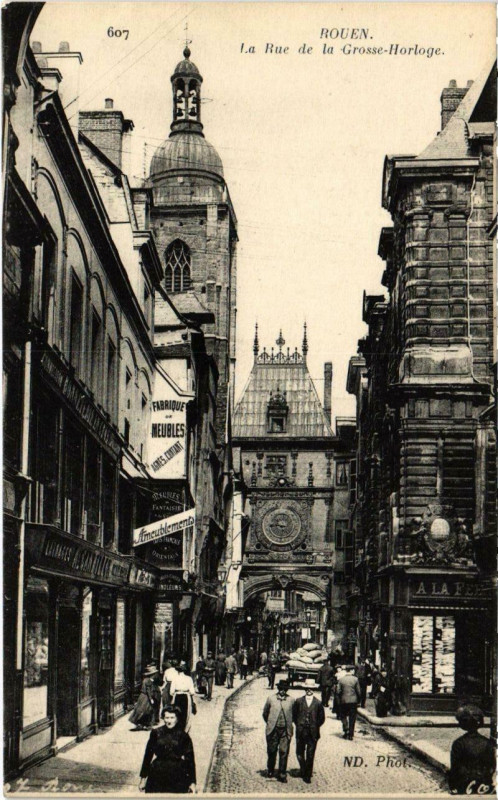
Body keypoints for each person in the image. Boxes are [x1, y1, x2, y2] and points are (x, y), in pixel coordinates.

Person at [139, 705, 196, 794]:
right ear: (163, 718)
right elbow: (148, 756)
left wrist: (192, 782)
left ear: (177, 718)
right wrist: (143, 779)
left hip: (178, 774)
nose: (169, 721)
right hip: (157, 773)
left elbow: (190, 760)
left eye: (172, 717)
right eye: (167, 717)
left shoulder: (183, 736)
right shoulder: (156, 733)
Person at [448, 705, 495, 795]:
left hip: (464, 785)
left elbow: (455, 768)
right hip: (484, 786)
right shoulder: (487, 743)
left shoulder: (459, 743)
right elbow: (491, 766)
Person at [262, 679, 295, 783]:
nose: (282, 691)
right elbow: (265, 713)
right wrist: (271, 723)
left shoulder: (291, 700)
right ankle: (270, 769)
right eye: (281, 689)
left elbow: (295, 714)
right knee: (271, 751)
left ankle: (282, 773)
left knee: (284, 751)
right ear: (278, 689)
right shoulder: (271, 699)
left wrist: (288, 724)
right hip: (273, 729)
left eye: (285, 689)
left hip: (285, 730)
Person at [293, 679, 325, 783]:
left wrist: (314, 726)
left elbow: (322, 718)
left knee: (310, 754)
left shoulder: (318, 703)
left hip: (312, 732)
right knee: (299, 752)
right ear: (305, 689)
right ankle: (303, 768)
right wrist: (299, 724)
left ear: (314, 690)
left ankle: (307, 775)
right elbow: (294, 715)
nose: (309, 690)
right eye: (307, 688)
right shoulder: (298, 701)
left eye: (311, 689)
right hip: (301, 731)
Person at [129, 666, 161, 730]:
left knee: (141, 710)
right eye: (154, 674)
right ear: (152, 674)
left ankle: (141, 724)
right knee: (147, 710)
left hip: (142, 696)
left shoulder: (145, 679)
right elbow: (148, 690)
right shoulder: (149, 681)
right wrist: (151, 699)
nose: (155, 675)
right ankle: (146, 724)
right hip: (146, 697)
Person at [336, 664, 361, 740]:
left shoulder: (341, 679)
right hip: (353, 702)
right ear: (351, 671)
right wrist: (359, 700)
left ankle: (346, 729)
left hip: (344, 701)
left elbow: (338, 691)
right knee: (352, 718)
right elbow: (358, 692)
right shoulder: (355, 679)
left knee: (343, 716)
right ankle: (350, 734)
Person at [169, 662, 196, 733]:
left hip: (177, 696)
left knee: (177, 713)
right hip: (186, 697)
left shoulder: (174, 678)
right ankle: (184, 730)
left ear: (178, 671)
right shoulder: (189, 678)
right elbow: (192, 692)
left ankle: (177, 728)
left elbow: (171, 692)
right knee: (185, 713)